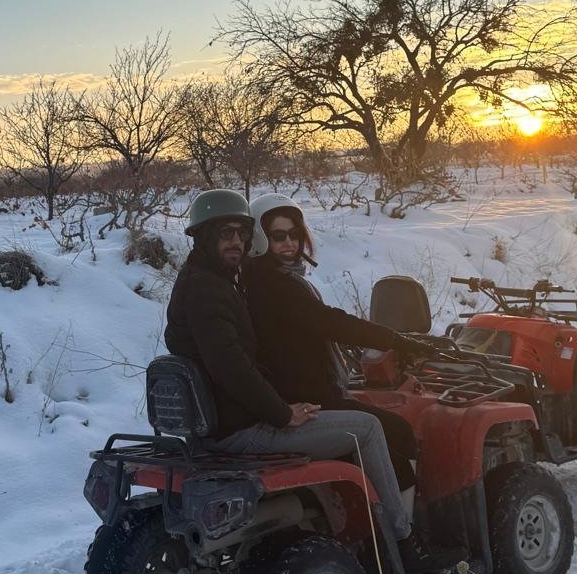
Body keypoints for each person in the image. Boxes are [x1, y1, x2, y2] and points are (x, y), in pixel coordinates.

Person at [165, 188, 414, 546]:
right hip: (241, 428)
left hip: (224, 420)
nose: (236, 241)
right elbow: (231, 366)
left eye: (242, 233)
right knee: (371, 428)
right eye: (225, 233)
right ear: (202, 237)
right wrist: (282, 413)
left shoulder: (216, 280)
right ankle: (404, 536)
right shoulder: (210, 290)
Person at [242, 193, 422, 502]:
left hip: (297, 389)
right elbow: (329, 321)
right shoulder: (274, 285)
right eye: (278, 236)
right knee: (400, 433)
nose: (289, 243)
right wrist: (394, 340)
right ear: (260, 239)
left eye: (295, 234)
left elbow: (309, 330)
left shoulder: (265, 279)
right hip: (309, 399)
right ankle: (406, 531)